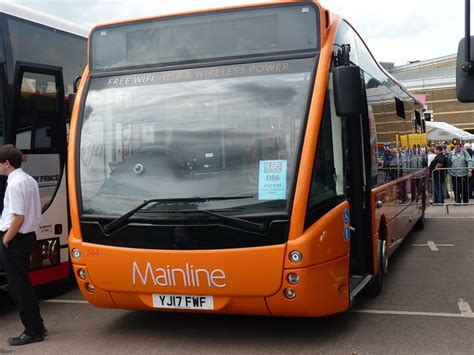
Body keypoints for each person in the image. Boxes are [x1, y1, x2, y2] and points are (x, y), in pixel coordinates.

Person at [0, 145, 45, 346]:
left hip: (16, 239)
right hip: (28, 237)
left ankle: (32, 331)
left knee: (18, 287)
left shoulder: (14, 184)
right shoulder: (29, 180)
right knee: (24, 284)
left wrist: (6, 239)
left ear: (7, 164)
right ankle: (37, 325)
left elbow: (18, 217)